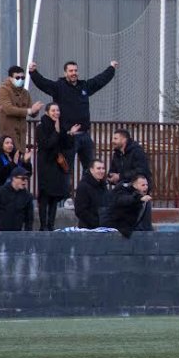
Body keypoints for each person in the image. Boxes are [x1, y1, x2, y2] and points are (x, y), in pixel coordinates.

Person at [28, 60, 118, 178]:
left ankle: (88, 194)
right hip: (68, 136)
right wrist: (33, 72)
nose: (73, 73)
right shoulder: (59, 87)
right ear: (65, 73)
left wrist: (111, 68)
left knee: (90, 168)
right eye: (70, 71)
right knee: (66, 168)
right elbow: (43, 83)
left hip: (85, 135)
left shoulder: (84, 86)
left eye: (75, 70)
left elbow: (99, 81)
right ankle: (66, 195)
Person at [36, 103, 79, 231]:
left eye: (58, 110)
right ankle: (43, 225)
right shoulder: (41, 127)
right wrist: (56, 132)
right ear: (47, 112)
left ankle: (51, 225)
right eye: (53, 110)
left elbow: (67, 146)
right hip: (46, 163)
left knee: (54, 197)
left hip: (57, 164)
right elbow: (46, 144)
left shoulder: (61, 125)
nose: (56, 113)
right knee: (44, 196)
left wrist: (70, 134)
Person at [0, 66, 43, 153]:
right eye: (17, 77)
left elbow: (31, 111)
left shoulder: (25, 92)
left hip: (21, 134)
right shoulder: (3, 90)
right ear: (10, 78)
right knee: (10, 159)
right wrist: (29, 111)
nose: (20, 80)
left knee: (21, 160)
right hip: (9, 133)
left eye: (23, 77)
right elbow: (8, 109)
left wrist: (36, 110)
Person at [0, 166, 34, 231]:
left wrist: (27, 234)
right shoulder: (0, 192)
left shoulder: (27, 196)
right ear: (14, 178)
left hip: (17, 234)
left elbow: (29, 218)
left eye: (27, 179)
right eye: (23, 178)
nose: (25, 181)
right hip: (0, 233)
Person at [75, 159, 110, 229]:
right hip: (88, 229)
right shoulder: (83, 186)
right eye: (98, 168)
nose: (102, 171)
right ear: (91, 170)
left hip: (104, 227)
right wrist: (96, 223)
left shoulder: (103, 186)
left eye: (103, 168)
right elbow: (80, 210)